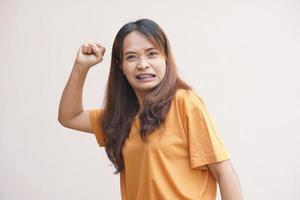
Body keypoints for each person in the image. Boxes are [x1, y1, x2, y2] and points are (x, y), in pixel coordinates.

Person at [58, 18, 243, 200]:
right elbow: (69, 117)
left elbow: (224, 172)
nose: (142, 64)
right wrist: (81, 67)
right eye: (131, 57)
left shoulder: (184, 102)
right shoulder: (121, 117)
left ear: (166, 58)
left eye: (152, 54)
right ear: (120, 65)